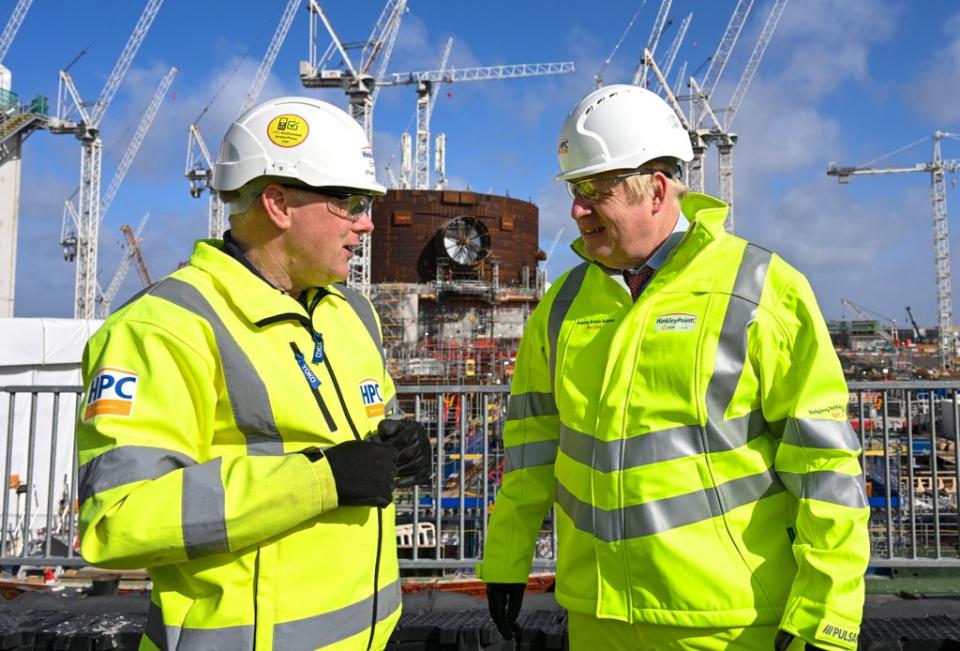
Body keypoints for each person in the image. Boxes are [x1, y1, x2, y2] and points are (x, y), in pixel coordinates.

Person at [478, 84, 869, 651]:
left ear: (657, 190)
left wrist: (827, 615)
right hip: (596, 618)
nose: (577, 209)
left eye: (594, 189)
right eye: (574, 189)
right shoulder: (561, 305)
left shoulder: (761, 291)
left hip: (727, 624)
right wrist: (507, 559)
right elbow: (532, 444)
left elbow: (824, 466)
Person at [76, 96, 431, 651]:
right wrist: (320, 481)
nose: (366, 223)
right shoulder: (165, 328)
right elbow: (117, 520)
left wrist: (400, 444)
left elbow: (365, 433)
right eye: (347, 201)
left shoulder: (352, 312)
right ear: (278, 203)